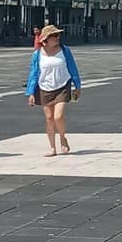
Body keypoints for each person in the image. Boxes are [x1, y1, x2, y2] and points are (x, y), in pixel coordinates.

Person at [25, 25, 81, 157]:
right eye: (54, 36)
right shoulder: (37, 54)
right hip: (44, 87)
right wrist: (31, 93)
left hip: (62, 86)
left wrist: (77, 85)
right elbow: (33, 73)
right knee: (49, 118)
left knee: (58, 116)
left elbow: (72, 67)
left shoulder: (64, 51)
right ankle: (52, 147)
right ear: (45, 39)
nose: (57, 38)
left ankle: (62, 138)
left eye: (58, 35)